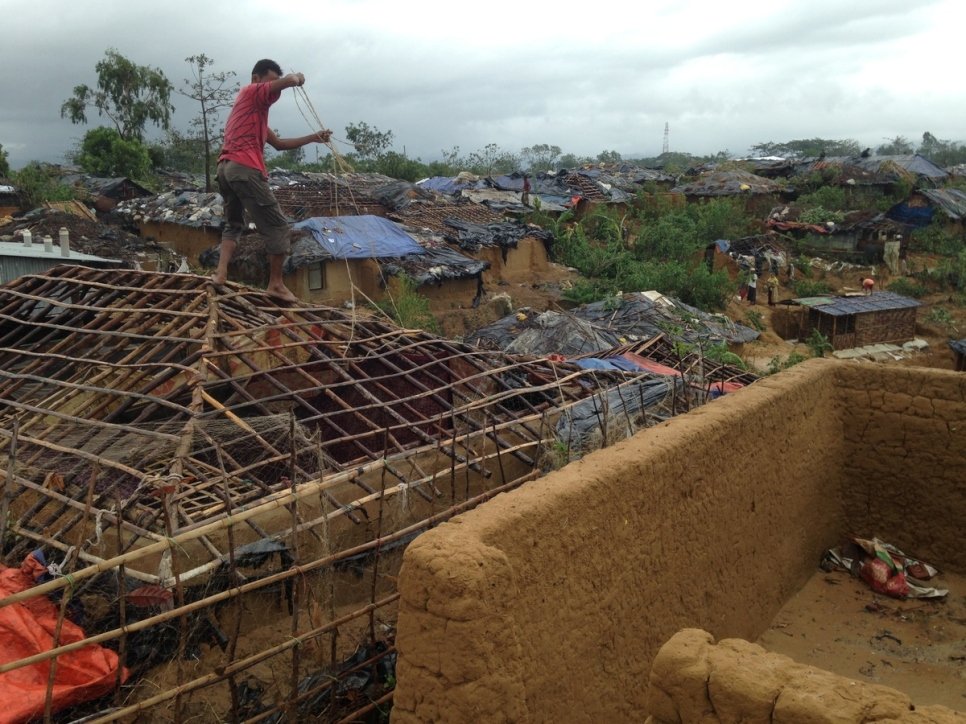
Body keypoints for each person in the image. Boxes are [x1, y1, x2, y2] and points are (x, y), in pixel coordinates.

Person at [212, 59, 332, 303]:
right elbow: (288, 81)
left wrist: (313, 138)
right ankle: (276, 284)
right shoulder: (250, 91)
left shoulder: (251, 112)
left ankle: (220, 273)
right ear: (256, 79)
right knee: (278, 226)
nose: (273, 89)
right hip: (244, 168)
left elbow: (279, 145)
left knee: (233, 224)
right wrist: (296, 77)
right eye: (270, 82)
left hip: (225, 169)